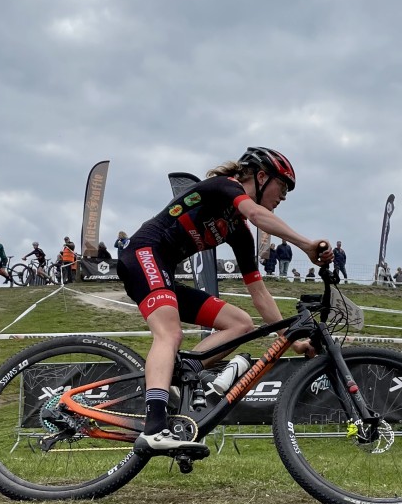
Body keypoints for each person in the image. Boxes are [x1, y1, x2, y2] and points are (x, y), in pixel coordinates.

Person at [116, 146, 331, 456]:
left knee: (241, 324)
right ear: (259, 177)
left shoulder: (238, 231)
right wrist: (306, 244)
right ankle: (154, 428)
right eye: (281, 186)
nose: (283, 196)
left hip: (161, 270)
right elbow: (258, 214)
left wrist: (291, 339)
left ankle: (178, 373)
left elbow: (259, 293)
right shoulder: (222, 186)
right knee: (170, 333)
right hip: (143, 255)